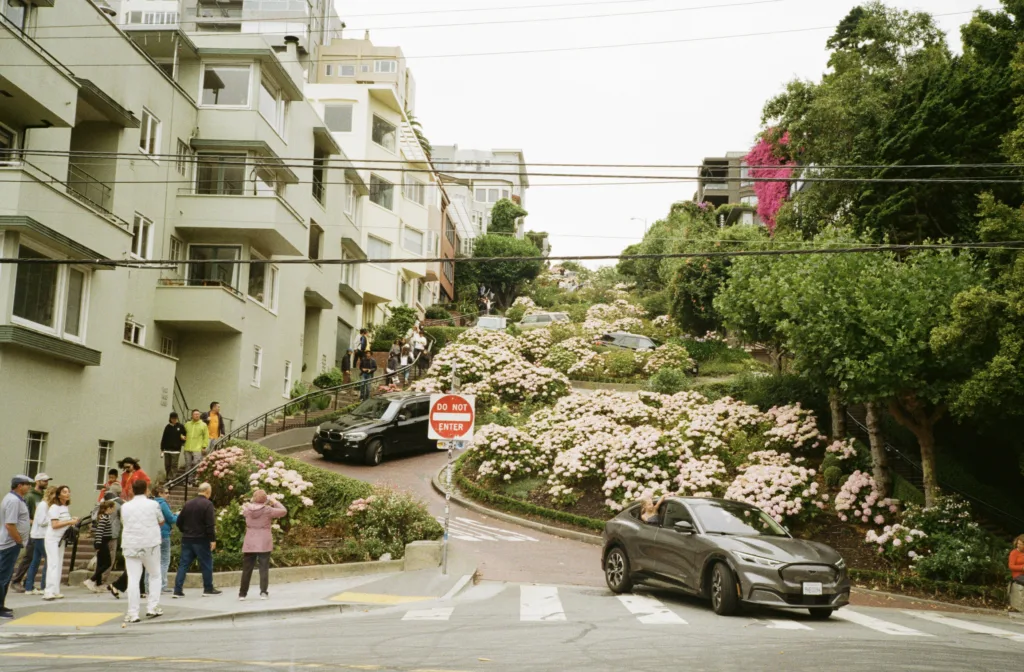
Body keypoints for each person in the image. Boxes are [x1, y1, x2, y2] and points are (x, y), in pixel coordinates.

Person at [119, 480, 164, 623]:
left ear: (132, 490)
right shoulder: (154, 504)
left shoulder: (125, 506)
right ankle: (152, 606)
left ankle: (133, 613)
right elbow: (161, 521)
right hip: (150, 543)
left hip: (131, 544)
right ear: (146, 490)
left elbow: (123, 522)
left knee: (133, 578)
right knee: (155, 574)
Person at [173, 482, 220, 598]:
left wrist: (185, 531)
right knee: (206, 563)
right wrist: (212, 539)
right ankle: (208, 588)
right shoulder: (208, 504)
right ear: (208, 491)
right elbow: (210, 525)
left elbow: (179, 522)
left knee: (183, 564)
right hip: (201, 539)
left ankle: (177, 590)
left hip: (187, 538)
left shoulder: (188, 503)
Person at [238, 490, 287, 601]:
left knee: (246, 569)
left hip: (250, 541)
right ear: (265, 499)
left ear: (253, 498)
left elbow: (247, 512)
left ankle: (242, 594)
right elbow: (284, 511)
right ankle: (263, 592)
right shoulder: (268, 510)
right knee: (263, 568)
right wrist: (274, 501)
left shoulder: (247, 509)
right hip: (264, 540)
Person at [10, 472, 50, 593]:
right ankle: (16, 580)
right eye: (44, 481)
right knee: (29, 557)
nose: (46, 483)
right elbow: (24, 516)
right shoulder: (30, 496)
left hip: (40, 530)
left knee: (35, 558)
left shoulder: (43, 496)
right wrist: (35, 522)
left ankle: (28, 583)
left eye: (47, 481)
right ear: (37, 482)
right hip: (33, 531)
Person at [0, 475, 33, 619]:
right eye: (27, 484)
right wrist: (18, 540)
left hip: (11, 543)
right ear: (19, 485)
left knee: (6, 576)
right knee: (3, 576)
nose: (29, 487)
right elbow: (10, 524)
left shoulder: (16, 499)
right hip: (10, 543)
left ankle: (1, 604)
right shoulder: (13, 501)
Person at [43, 484, 78, 600]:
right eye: (64, 492)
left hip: (60, 539)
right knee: (53, 564)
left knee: (58, 564)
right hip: (52, 539)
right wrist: (70, 522)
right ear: (58, 495)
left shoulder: (65, 507)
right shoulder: (54, 507)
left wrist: (71, 521)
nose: (67, 493)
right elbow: (54, 525)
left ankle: (55, 590)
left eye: (68, 491)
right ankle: (48, 591)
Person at [23, 485, 55, 595]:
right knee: (48, 559)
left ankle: (29, 587)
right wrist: (54, 518)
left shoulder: (44, 505)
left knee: (35, 561)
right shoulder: (44, 505)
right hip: (40, 536)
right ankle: (44, 586)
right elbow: (42, 522)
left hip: (37, 535)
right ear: (51, 495)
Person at [84, 499, 115, 593]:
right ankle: (91, 580)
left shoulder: (104, 517)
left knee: (100, 564)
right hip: (102, 543)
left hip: (102, 542)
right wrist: (98, 545)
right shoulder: (104, 518)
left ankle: (98, 584)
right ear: (108, 508)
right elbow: (99, 532)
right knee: (107, 563)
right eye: (113, 508)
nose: (113, 510)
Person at [153, 485, 177, 593]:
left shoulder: (152, 503)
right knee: (164, 560)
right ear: (160, 494)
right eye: (166, 493)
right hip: (164, 533)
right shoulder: (163, 504)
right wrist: (179, 515)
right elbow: (171, 519)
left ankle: (151, 585)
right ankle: (162, 585)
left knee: (155, 561)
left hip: (154, 535)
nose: (168, 495)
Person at [183, 410, 209, 486]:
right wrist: (182, 437)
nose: (197, 415)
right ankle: (187, 480)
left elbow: (206, 436)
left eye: (198, 414)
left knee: (195, 464)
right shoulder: (187, 424)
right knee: (188, 464)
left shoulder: (203, 425)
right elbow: (182, 433)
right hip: (187, 447)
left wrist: (204, 446)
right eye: (195, 414)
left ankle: (193, 480)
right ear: (192, 415)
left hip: (197, 448)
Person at [160, 412, 187, 479]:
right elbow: (164, 437)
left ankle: (171, 478)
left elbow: (185, 436)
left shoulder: (180, 426)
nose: (174, 420)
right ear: (170, 419)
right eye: (172, 418)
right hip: (167, 449)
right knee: (167, 465)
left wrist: (182, 440)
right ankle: (168, 477)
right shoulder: (167, 427)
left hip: (176, 449)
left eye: (175, 418)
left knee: (174, 465)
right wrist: (162, 448)